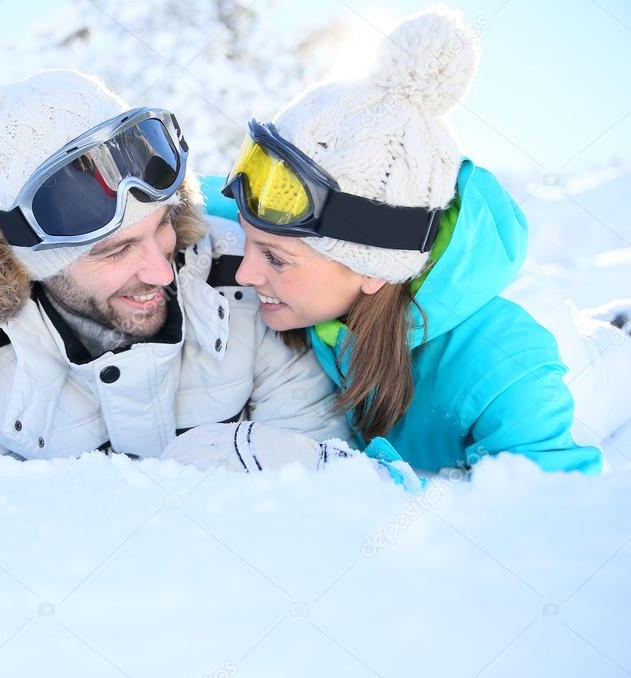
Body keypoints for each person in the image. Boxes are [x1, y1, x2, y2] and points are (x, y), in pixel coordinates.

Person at [171, 7, 604, 475]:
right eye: (250, 239)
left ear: (375, 270)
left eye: (276, 258)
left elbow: (547, 516)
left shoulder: (505, 370)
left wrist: (345, 475)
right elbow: (181, 200)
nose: (246, 272)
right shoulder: (294, 233)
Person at [0, 70, 352, 472]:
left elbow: (324, 473)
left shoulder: (244, 285)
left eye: (161, 227)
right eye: (115, 252)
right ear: (25, 263)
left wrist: (297, 463)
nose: (161, 272)